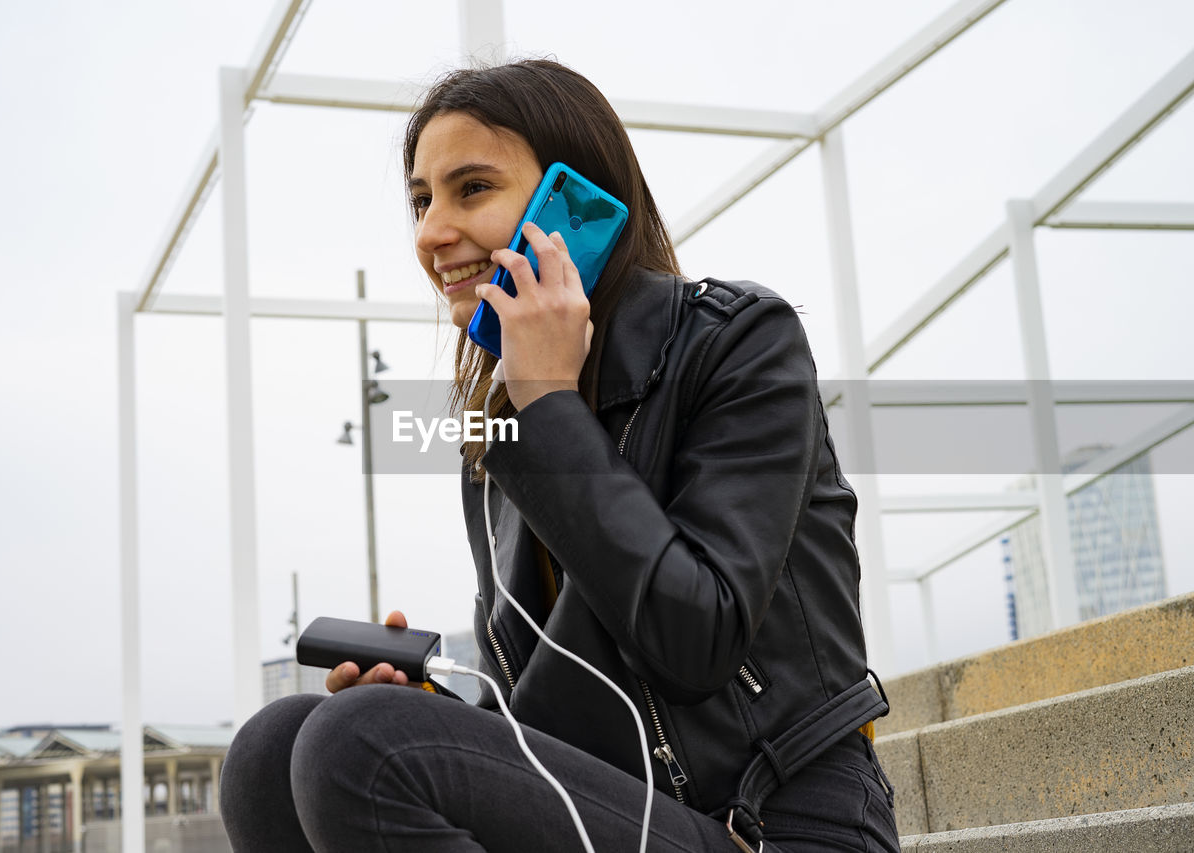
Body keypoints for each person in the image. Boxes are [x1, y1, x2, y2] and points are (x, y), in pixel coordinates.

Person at [220, 59, 900, 853]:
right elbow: (560, 720)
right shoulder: (501, 440)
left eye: (471, 189)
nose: (432, 233)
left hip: (778, 824)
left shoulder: (741, 345)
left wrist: (548, 404)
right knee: (274, 748)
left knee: (357, 743)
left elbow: (695, 643)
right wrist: (434, 705)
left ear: (578, 206)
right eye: (420, 200)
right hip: (640, 818)